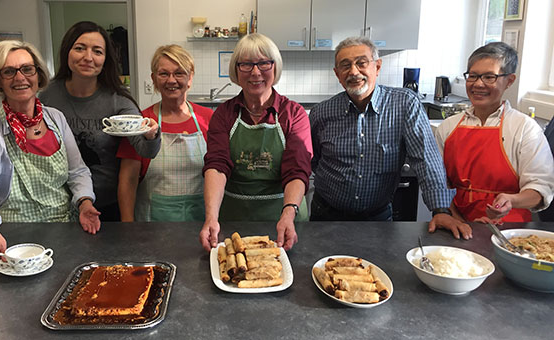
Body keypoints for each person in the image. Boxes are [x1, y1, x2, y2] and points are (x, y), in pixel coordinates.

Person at [309, 36, 472, 239]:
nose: (353, 71)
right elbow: (313, 161)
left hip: (377, 219)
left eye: (361, 63)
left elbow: (425, 159)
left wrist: (440, 210)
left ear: (377, 67)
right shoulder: (321, 113)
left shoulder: (404, 105)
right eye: (345, 65)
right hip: (325, 216)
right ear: (337, 74)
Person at [0, 40, 100, 265]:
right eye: (9, 72)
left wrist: (85, 202)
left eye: (27, 69)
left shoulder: (56, 119)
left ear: (38, 75)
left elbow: (77, 172)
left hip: (66, 230)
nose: (20, 78)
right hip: (17, 239)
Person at [199, 33, 312, 251]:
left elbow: (297, 169)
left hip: (284, 220)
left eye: (263, 63)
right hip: (235, 220)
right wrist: (211, 217)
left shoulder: (293, 114)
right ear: (236, 70)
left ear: (275, 67)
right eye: (246, 65)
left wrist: (288, 213)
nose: (255, 72)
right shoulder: (224, 114)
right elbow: (217, 165)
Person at [39, 21, 160, 221]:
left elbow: (146, 150)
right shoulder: (48, 96)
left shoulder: (118, 100)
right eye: (79, 48)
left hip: (106, 206)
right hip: (56, 204)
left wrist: (151, 134)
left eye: (97, 51)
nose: (88, 57)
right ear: (67, 52)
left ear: (105, 59)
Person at [435, 42, 554, 223]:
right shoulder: (448, 127)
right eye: (473, 76)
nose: (478, 84)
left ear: (509, 81)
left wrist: (511, 200)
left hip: (510, 229)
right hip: (456, 226)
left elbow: (540, 190)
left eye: (489, 77)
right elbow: (440, 184)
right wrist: (458, 220)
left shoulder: (525, 129)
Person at [117, 45, 213, 221]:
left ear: (190, 77)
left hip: (201, 223)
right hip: (151, 225)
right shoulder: (141, 121)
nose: (171, 80)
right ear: (153, 79)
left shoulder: (209, 119)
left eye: (179, 73)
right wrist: (128, 228)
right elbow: (128, 181)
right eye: (164, 74)